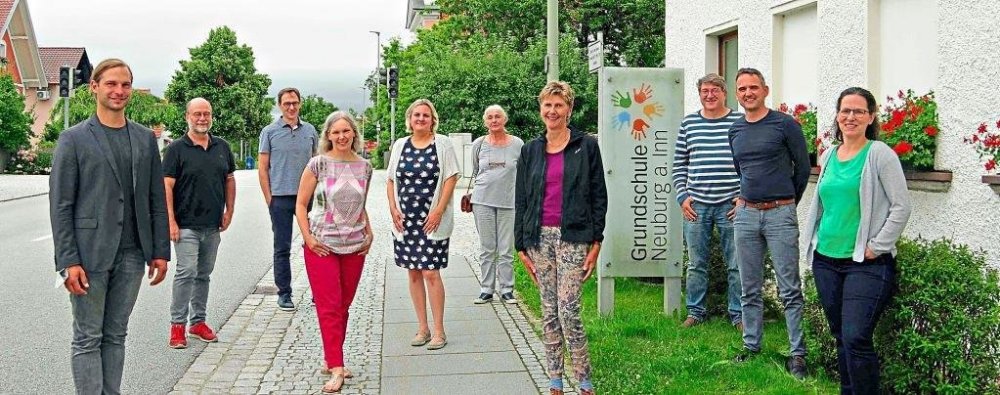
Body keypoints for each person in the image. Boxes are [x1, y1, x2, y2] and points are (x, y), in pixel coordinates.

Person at [49, 58, 170, 394]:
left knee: (116, 335)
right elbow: (61, 206)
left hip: (133, 255)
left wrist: (160, 251)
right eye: (112, 84)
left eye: (125, 84)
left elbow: (155, 199)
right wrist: (67, 260)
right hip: (88, 256)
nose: (119, 91)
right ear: (95, 87)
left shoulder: (145, 138)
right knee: (88, 336)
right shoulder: (73, 139)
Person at [804, 87, 911, 394]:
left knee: (856, 336)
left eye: (858, 111)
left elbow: (901, 206)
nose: (850, 117)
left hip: (865, 263)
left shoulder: (879, 154)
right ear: (837, 116)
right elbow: (824, 204)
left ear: (871, 117)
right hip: (826, 259)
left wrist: (877, 245)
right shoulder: (828, 155)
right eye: (845, 111)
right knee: (840, 334)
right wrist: (814, 242)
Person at [515, 81, 606, 395]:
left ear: (569, 109)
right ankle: (554, 379)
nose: (552, 111)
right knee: (549, 311)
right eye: (548, 105)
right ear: (541, 109)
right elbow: (522, 198)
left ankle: (583, 378)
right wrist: (521, 245)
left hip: (574, 237)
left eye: (559, 105)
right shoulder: (530, 150)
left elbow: (598, 194)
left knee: (569, 310)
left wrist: (597, 242)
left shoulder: (586, 146)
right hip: (538, 240)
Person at [728, 67, 811, 379]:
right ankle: (751, 345)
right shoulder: (735, 130)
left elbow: (802, 169)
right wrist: (746, 199)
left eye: (754, 87)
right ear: (737, 94)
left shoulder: (785, 124)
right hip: (746, 215)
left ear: (765, 90)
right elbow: (743, 170)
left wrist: (786, 202)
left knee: (789, 287)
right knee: (748, 286)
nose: (748, 93)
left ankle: (797, 354)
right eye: (742, 89)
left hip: (780, 213)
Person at [294, 111, 373, 393]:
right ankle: (337, 368)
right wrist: (308, 238)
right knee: (329, 307)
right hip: (322, 246)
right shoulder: (318, 165)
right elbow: (300, 206)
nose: (341, 137)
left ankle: (331, 358)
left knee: (343, 306)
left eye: (346, 131)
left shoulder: (365, 167)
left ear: (354, 134)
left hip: (354, 245)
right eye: (335, 132)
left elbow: (359, 203)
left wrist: (369, 230)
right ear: (328, 135)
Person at [386, 99, 459, 351]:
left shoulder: (443, 144)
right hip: (405, 221)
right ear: (409, 119)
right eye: (416, 115)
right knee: (413, 272)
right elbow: (390, 180)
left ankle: (439, 331)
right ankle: (422, 328)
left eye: (425, 115)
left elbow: (451, 178)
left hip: (431, 220)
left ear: (432, 119)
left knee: (431, 272)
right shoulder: (400, 145)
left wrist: (438, 210)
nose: (420, 118)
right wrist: (393, 208)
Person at [163, 98, 236, 349]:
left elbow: (229, 180)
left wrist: (230, 210)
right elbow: (167, 187)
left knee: (203, 275)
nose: (202, 118)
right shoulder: (176, 149)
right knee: (186, 273)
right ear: (187, 117)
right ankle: (177, 326)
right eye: (197, 114)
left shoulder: (222, 147)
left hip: (212, 225)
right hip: (185, 225)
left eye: (206, 114)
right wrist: (170, 220)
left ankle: (198, 322)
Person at [672, 73, 744, 329]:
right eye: (705, 91)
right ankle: (695, 312)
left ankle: (738, 315)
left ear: (725, 93)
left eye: (715, 90)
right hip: (697, 206)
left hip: (731, 205)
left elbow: (749, 162)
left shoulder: (739, 122)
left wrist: (743, 196)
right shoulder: (689, 124)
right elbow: (679, 163)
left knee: (737, 265)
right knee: (696, 264)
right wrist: (682, 197)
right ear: (699, 94)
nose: (710, 95)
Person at [258, 87, 318, 311]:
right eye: (286, 104)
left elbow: (317, 164)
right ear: (279, 106)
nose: (291, 107)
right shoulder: (270, 132)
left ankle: (318, 292)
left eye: (294, 103)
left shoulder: (310, 131)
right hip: (280, 198)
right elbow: (263, 168)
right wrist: (269, 198)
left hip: (308, 197)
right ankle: (284, 293)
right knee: (281, 247)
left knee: (314, 245)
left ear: (300, 103)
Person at [470, 104, 524, 304]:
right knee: (487, 247)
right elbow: (476, 171)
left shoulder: (517, 144)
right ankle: (486, 289)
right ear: (485, 121)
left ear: (505, 120)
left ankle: (507, 289)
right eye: (490, 117)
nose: (494, 120)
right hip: (482, 200)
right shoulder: (479, 144)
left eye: (498, 117)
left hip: (509, 201)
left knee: (505, 248)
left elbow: (523, 172)